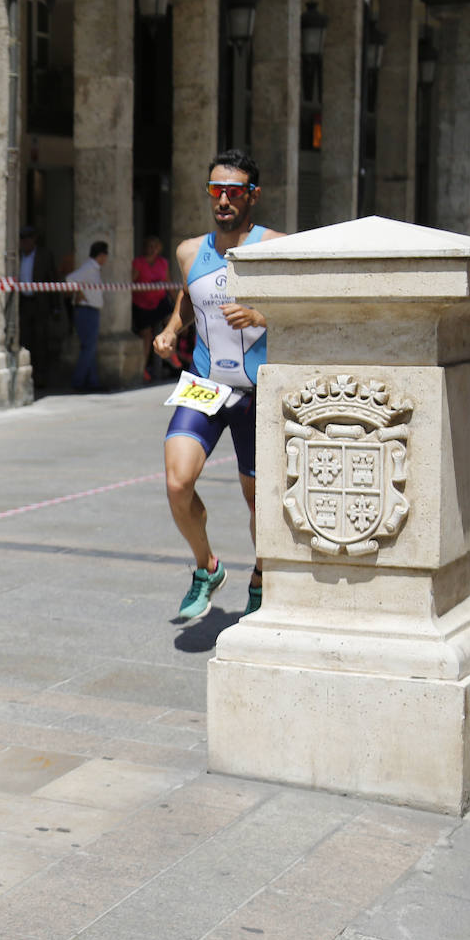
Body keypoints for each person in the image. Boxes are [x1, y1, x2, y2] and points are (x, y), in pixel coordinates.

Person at [153, 149, 283, 621]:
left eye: (233, 191)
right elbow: (190, 299)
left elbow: (304, 311)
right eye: (215, 191)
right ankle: (206, 567)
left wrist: (262, 315)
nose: (223, 200)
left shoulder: (277, 247)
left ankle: (262, 576)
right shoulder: (190, 251)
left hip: (259, 394)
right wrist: (172, 330)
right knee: (176, 481)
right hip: (207, 385)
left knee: (256, 497)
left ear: (253, 194)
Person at [16, 225, 57, 387]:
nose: (25, 243)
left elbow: (53, 279)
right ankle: (26, 375)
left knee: (41, 340)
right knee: (25, 340)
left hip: (40, 303)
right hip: (23, 303)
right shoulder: (17, 256)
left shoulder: (44, 256)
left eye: (28, 239)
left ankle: (41, 377)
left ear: (34, 240)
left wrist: (56, 306)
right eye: (22, 239)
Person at [66, 241, 109, 391]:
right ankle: (78, 382)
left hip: (91, 310)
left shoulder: (93, 268)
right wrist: (79, 293)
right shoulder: (89, 268)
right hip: (86, 310)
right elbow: (70, 279)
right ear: (102, 255)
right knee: (88, 348)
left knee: (89, 348)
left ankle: (92, 382)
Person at [132, 234, 174, 382]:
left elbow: (168, 282)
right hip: (142, 303)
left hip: (159, 301)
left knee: (172, 319)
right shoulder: (138, 263)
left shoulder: (163, 263)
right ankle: (143, 368)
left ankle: (172, 352)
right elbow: (131, 282)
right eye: (149, 247)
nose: (151, 250)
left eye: (154, 247)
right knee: (146, 335)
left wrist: (176, 302)